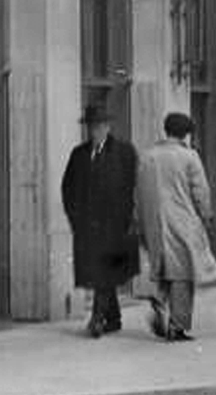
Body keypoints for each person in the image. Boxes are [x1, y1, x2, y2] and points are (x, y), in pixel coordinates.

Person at [136, 112, 216, 342]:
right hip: (182, 222)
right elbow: (200, 192)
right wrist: (207, 216)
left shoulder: (147, 156)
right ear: (186, 133)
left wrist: (142, 223)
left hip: (155, 224)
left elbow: (138, 193)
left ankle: (158, 298)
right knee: (183, 275)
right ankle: (178, 326)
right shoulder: (189, 157)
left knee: (165, 268)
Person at [61, 105, 140, 338]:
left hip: (116, 225)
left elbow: (132, 187)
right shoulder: (79, 154)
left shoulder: (124, 152)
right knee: (102, 273)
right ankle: (113, 318)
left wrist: (128, 219)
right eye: (91, 127)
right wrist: (75, 218)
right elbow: (67, 188)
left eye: (98, 126)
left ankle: (97, 318)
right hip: (87, 227)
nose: (94, 131)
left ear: (108, 127)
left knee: (103, 272)